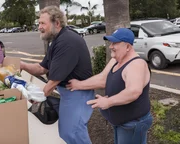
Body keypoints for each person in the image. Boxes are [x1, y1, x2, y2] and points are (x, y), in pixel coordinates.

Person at [20, 6, 94, 144]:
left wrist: (35, 98)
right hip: (69, 93)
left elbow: (53, 82)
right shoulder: (56, 40)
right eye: (39, 23)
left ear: (57, 23)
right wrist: (22, 65)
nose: (39, 27)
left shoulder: (67, 41)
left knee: (74, 133)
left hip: (78, 93)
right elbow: (42, 68)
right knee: (67, 132)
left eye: (43, 23)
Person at [67, 28, 153, 144]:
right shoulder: (117, 60)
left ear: (128, 47)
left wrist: (108, 102)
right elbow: (103, 79)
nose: (110, 46)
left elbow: (133, 91)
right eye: (111, 43)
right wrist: (78, 85)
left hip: (132, 124)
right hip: (121, 123)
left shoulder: (136, 64)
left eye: (115, 43)